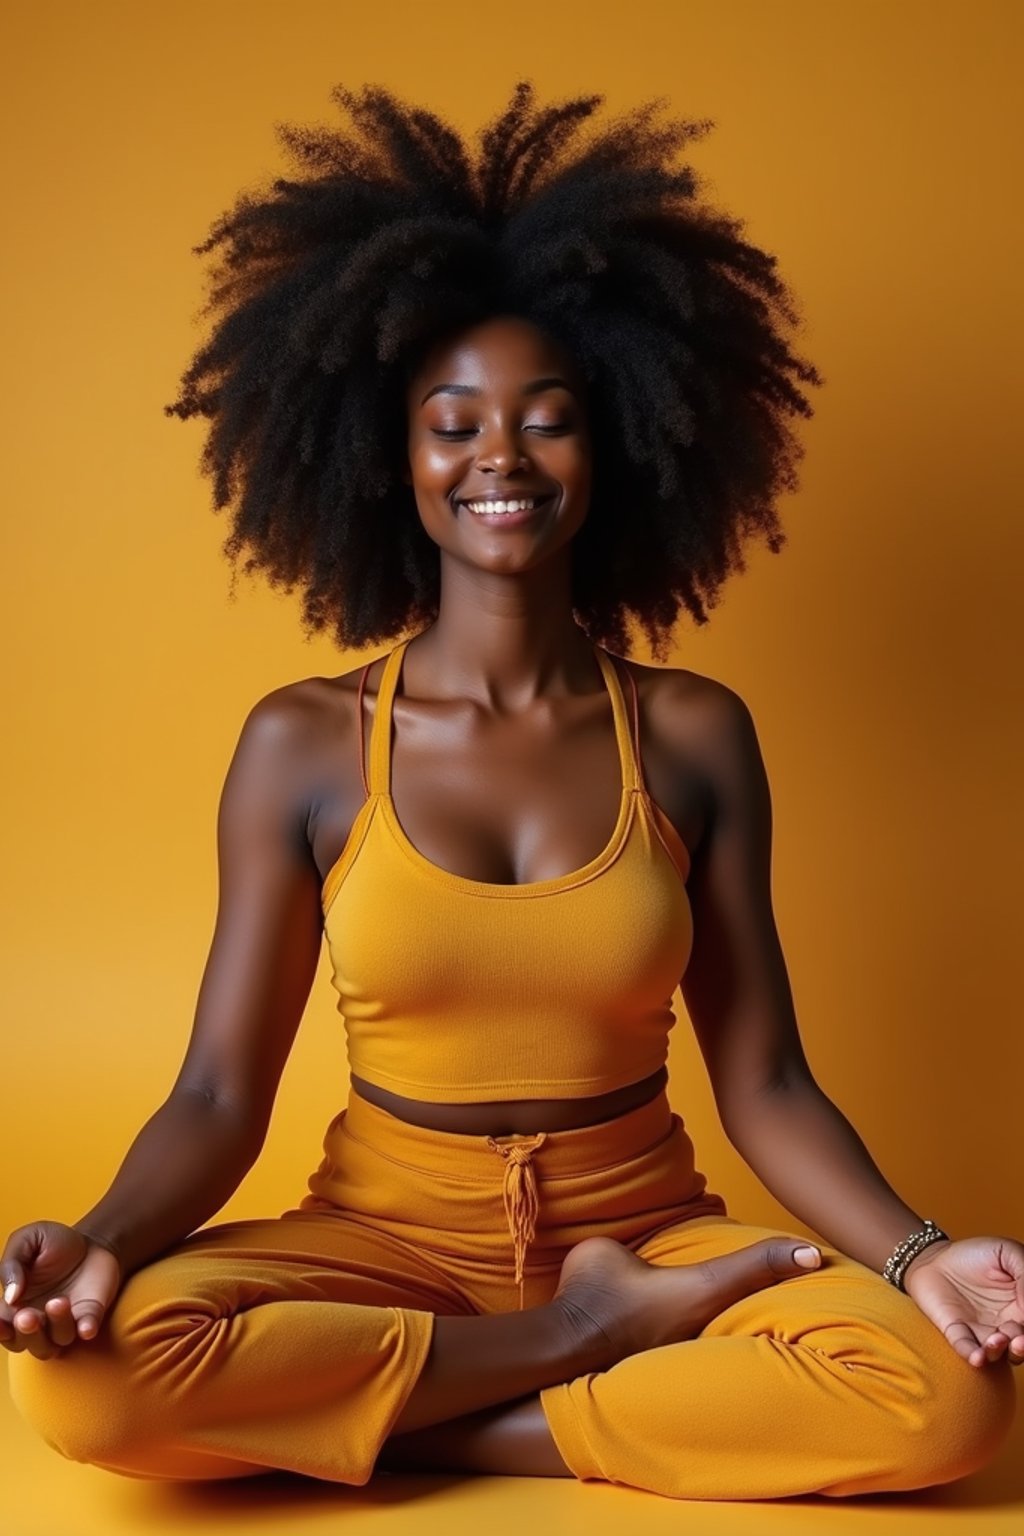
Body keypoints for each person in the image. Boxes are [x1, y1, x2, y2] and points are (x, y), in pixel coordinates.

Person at [3, 79, 1019, 1501]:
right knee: (91, 1378)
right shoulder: (303, 743)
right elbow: (221, 1091)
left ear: (615, 448)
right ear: (387, 455)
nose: (499, 455)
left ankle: (426, 1412)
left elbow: (766, 1078)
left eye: (546, 419)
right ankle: (589, 1345)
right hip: (384, 1239)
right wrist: (102, 1237)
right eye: (452, 419)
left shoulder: (694, 735)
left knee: (944, 1398)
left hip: (647, 1224)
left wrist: (925, 1255)